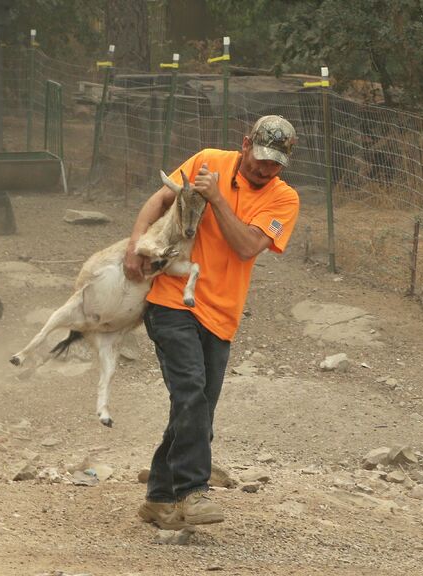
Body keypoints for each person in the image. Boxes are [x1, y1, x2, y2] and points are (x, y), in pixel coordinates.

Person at [124, 115, 300, 530]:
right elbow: (161, 199)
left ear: (285, 163)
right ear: (244, 144)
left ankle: (158, 499)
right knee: (190, 394)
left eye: (273, 164)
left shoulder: (284, 199)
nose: (262, 169)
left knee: (198, 407)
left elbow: (246, 248)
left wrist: (219, 199)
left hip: (222, 315)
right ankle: (192, 492)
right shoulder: (208, 161)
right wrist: (136, 244)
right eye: (258, 159)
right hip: (172, 298)